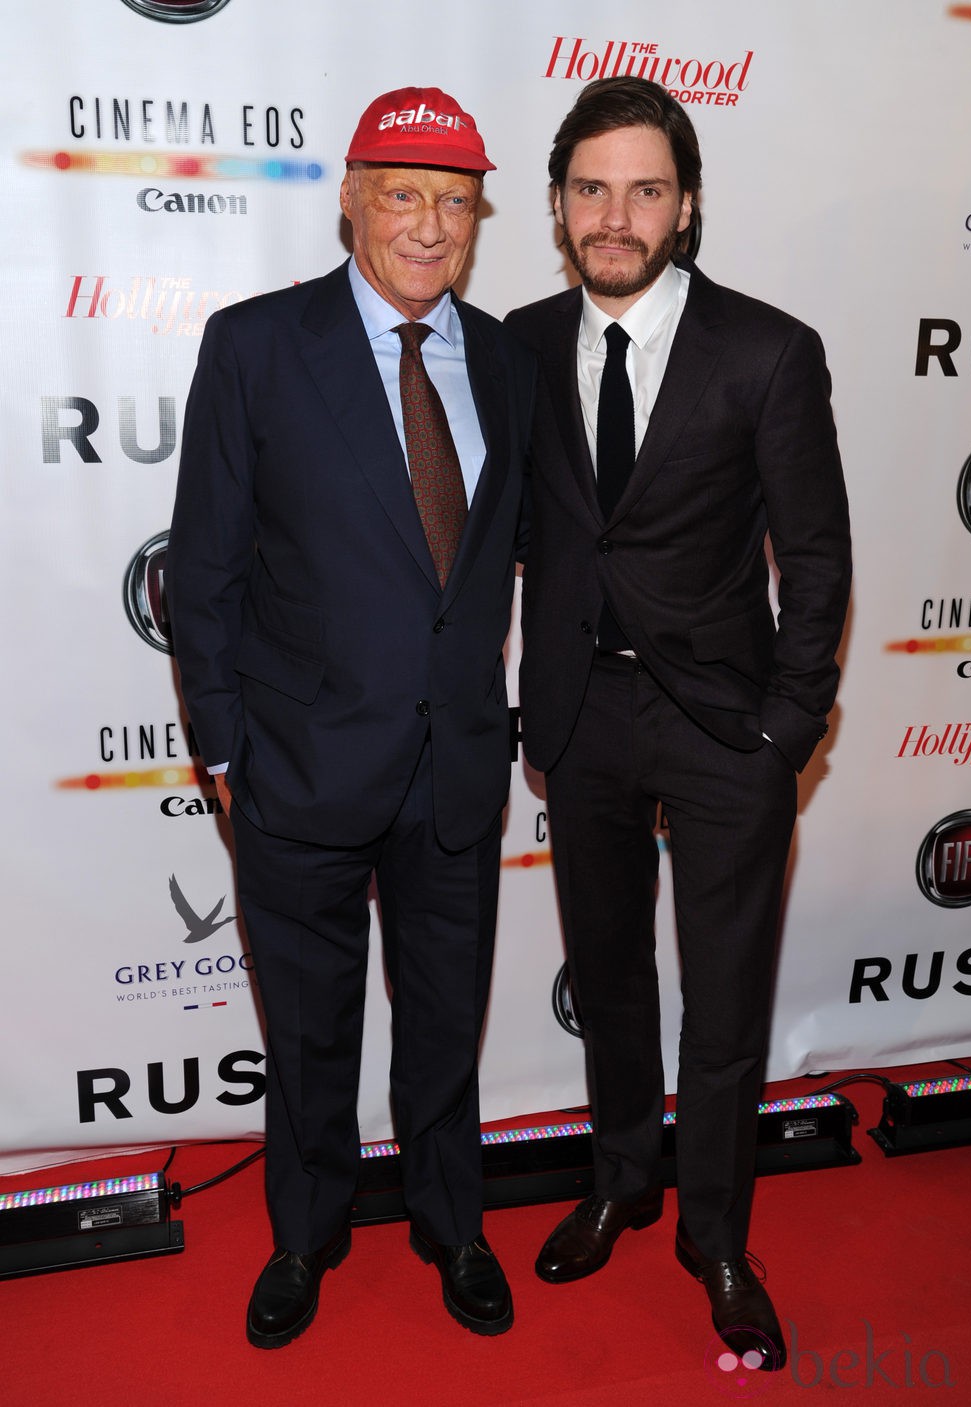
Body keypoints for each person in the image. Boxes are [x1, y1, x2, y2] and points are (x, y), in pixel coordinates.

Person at [167, 86, 535, 1349]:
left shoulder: (505, 358)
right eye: (403, 194)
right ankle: (305, 1231)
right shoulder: (256, 346)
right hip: (299, 767)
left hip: (456, 770)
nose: (429, 227)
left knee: (445, 1021)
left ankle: (451, 1224)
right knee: (310, 1029)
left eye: (454, 202)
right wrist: (222, 745)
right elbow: (202, 568)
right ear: (349, 200)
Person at [506, 77, 851, 1371]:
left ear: (687, 203)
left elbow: (815, 558)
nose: (616, 213)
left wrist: (787, 727)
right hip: (580, 718)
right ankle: (621, 1182)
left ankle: (715, 1231)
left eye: (645, 187)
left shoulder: (768, 348)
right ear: (556, 205)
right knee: (606, 979)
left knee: (722, 1006)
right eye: (591, 188)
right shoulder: (520, 346)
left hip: (724, 729)